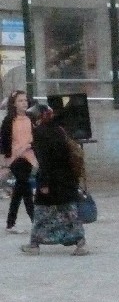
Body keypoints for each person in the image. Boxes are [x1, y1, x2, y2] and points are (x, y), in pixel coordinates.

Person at [20, 107, 87, 256]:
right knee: (69, 211)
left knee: (41, 213)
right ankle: (80, 243)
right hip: (67, 179)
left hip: (51, 180)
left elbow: (44, 161)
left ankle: (34, 244)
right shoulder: (60, 129)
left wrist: (43, 183)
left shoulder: (40, 133)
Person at [2, 90, 35, 234]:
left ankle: (10, 223)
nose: (24, 103)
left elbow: (36, 137)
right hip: (15, 157)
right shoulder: (9, 120)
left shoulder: (31, 118)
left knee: (21, 189)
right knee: (24, 185)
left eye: (25, 100)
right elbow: (3, 141)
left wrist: (29, 145)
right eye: (20, 101)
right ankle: (35, 220)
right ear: (14, 104)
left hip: (28, 156)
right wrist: (3, 160)